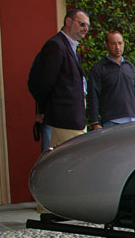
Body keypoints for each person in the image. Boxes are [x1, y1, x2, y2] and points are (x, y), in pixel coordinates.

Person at [28, 9, 90, 147]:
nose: (85, 29)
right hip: (63, 120)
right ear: (68, 22)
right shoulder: (56, 46)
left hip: (71, 120)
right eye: (82, 24)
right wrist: (44, 110)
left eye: (87, 26)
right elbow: (44, 83)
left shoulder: (70, 47)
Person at [87, 31, 135, 130]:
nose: (117, 47)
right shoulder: (98, 69)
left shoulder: (129, 66)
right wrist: (95, 122)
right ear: (106, 45)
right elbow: (93, 96)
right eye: (113, 44)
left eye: (120, 43)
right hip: (112, 122)